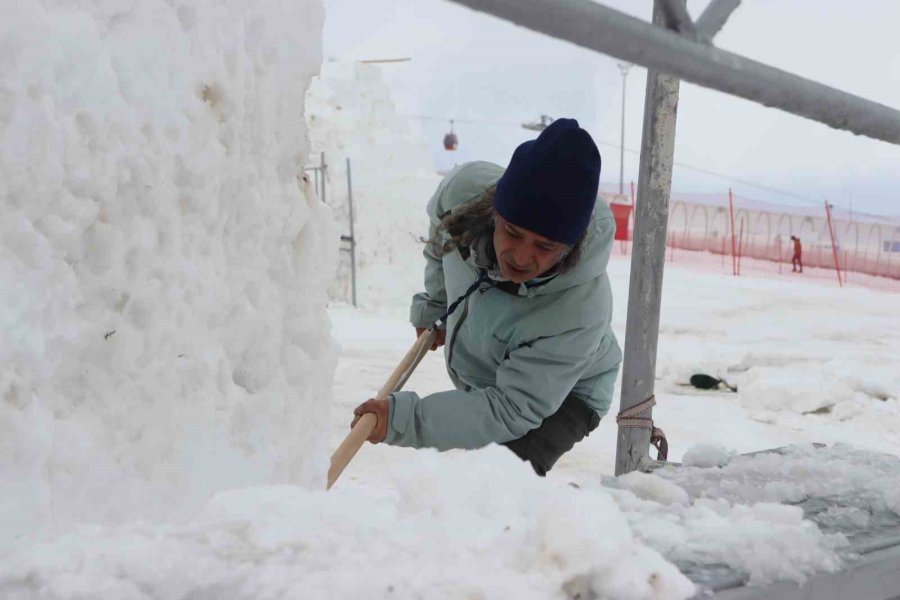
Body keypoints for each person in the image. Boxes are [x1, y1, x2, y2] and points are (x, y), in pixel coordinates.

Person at [351, 119, 622, 476]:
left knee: (495, 485)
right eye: (512, 232)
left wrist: (404, 419)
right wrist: (436, 303)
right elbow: (440, 239)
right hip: (488, 365)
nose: (521, 258)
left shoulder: (579, 309)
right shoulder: (462, 196)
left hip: (564, 392)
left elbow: (510, 407)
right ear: (494, 212)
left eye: (545, 246)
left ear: (570, 248)